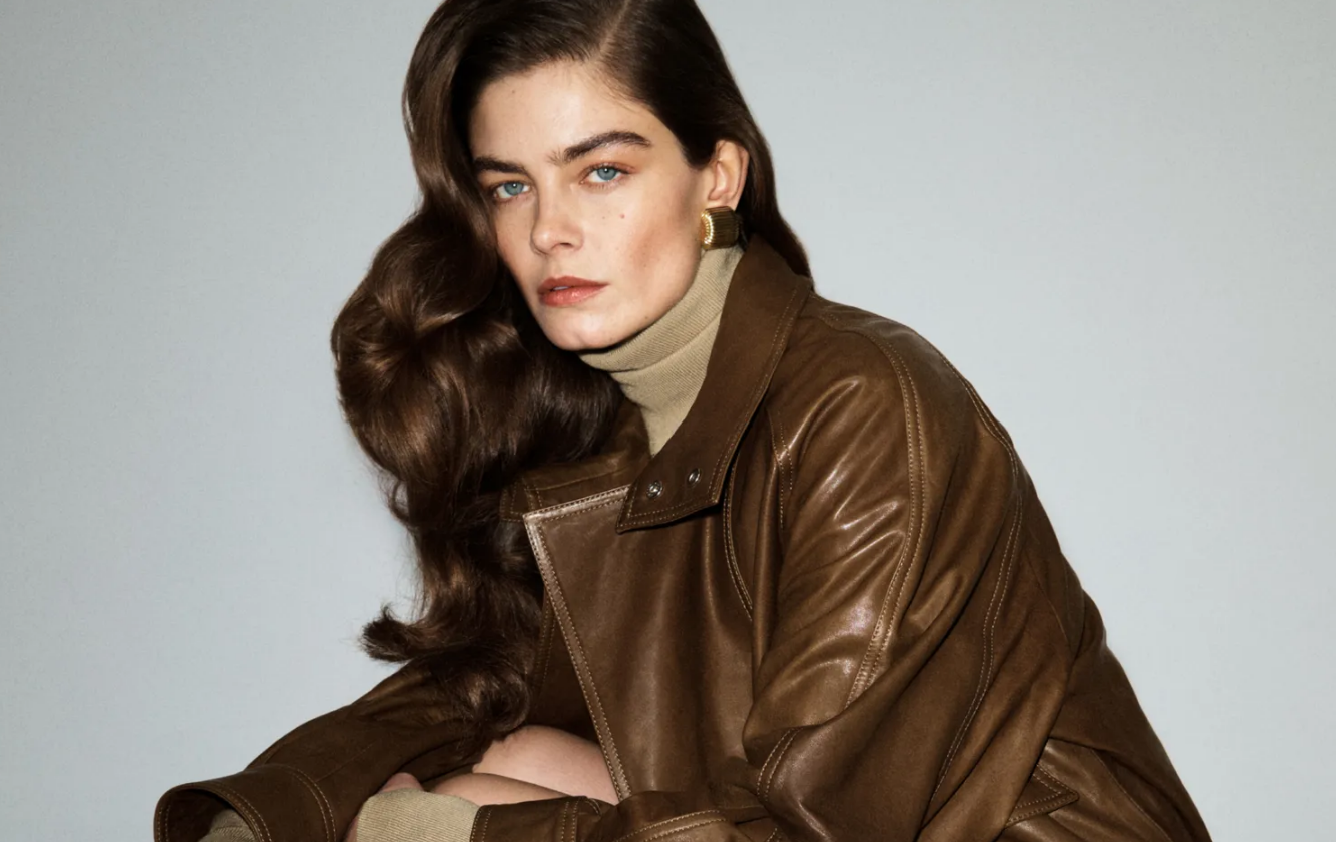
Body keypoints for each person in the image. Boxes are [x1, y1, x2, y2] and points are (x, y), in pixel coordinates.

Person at [156, 1, 1212, 840]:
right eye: (510, 187)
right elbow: (465, 691)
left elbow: (814, 828)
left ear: (717, 176)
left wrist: (452, 834)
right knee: (500, 755)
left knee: (476, 797)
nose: (551, 229)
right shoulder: (594, 431)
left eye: (602, 171)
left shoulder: (863, 403)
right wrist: (270, 819)